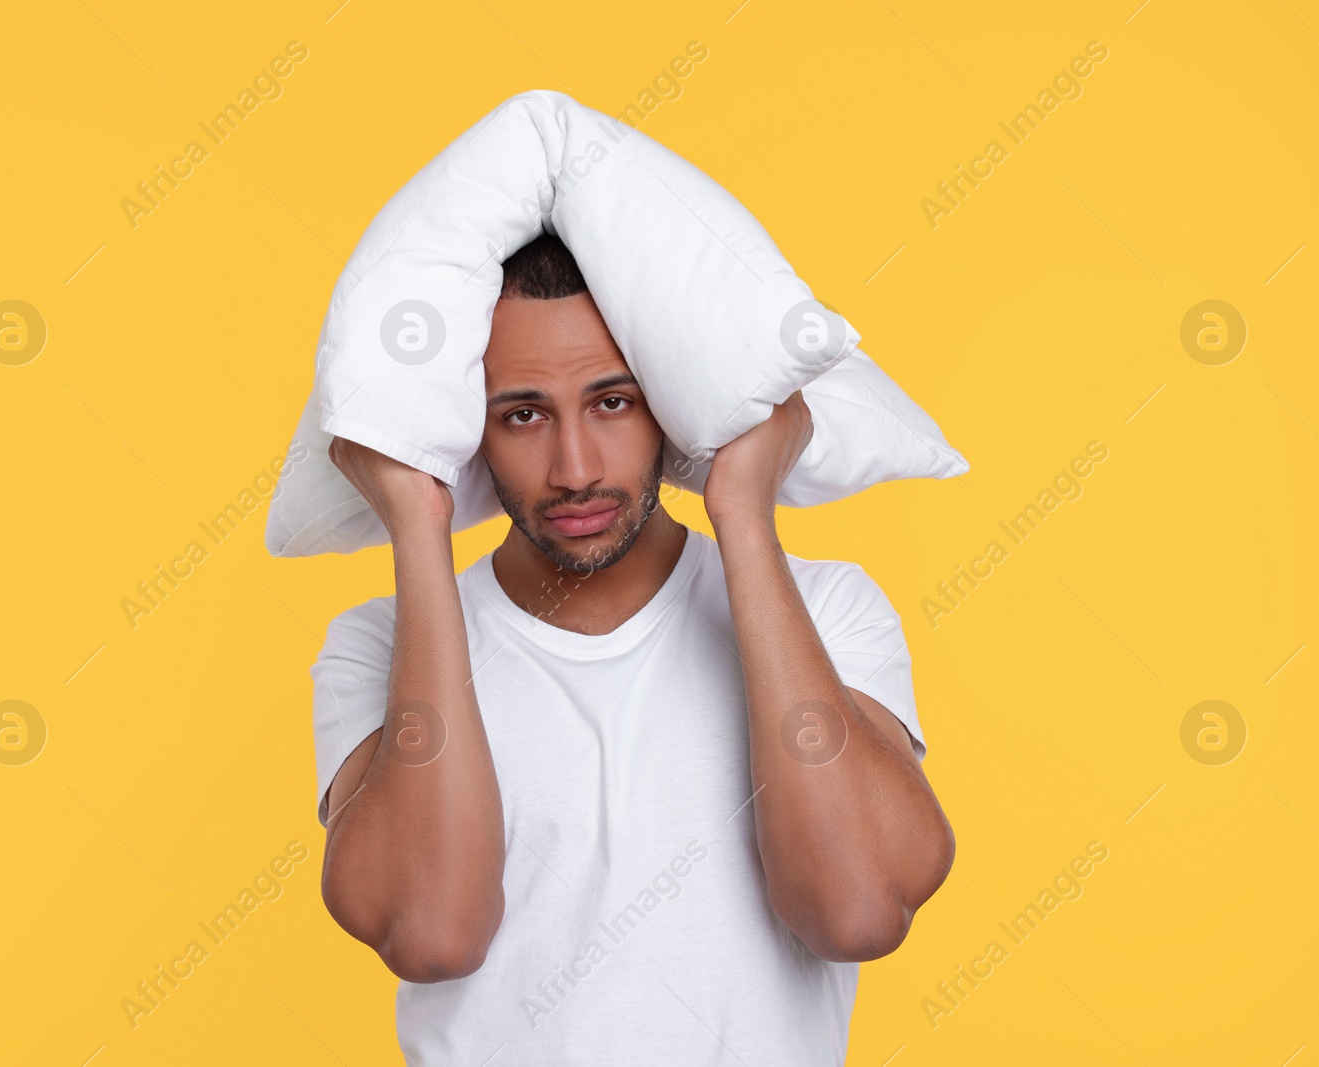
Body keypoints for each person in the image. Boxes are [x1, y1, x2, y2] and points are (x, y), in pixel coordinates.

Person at [311, 233, 954, 1064]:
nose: (575, 468)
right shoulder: (377, 645)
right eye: (523, 414)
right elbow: (434, 934)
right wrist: (415, 527)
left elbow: (858, 911)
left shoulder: (830, 611)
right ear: (472, 427)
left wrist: (745, 518)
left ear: (673, 405)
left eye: (613, 401)